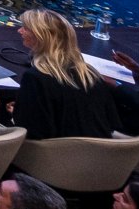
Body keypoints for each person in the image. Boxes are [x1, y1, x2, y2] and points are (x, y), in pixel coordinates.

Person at [9, 7, 123, 139]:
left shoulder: (35, 78)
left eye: (25, 28)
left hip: (52, 151)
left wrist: (17, 115)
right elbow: (112, 123)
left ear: (41, 36)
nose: (19, 31)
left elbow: (34, 132)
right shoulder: (91, 74)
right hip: (99, 150)